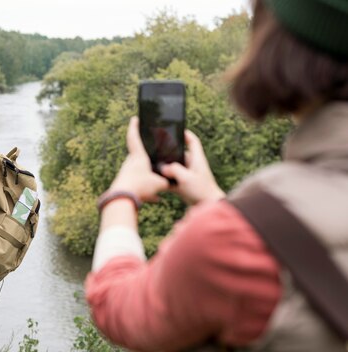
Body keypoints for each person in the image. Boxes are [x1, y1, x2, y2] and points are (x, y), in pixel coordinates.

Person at [85, 0, 348, 350]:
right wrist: (217, 199)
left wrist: (121, 196)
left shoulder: (229, 240)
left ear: (281, 45)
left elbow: (117, 307)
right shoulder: (245, 233)